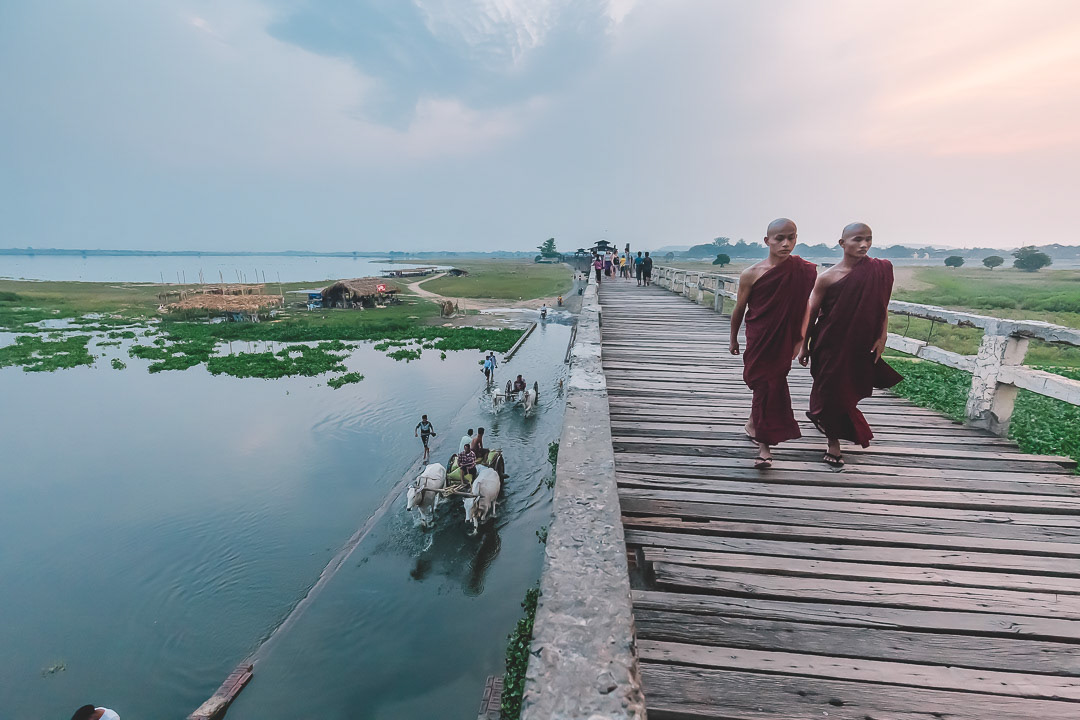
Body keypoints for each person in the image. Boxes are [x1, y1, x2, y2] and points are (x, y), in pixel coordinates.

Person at [799, 222, 903, 467]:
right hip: (828, 344)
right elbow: (811, 315)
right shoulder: (827, 278)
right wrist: (804, 346)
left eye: (868, 239)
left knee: (844, 391)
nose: (864, 244)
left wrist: (882, 337)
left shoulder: (881, 269)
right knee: (830, 391)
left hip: (860, 344)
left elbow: (881, 306)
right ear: (842, 243)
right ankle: (833, 443)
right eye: (857, 239)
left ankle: (821, 417)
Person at [729, 219, 817, 469]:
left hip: (785, 338)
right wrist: (733, 337)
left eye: (791, 237)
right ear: (767, 240)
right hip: (759, 337)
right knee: (763, 384)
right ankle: (758, 431)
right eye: (779, 238)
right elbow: (739, 309)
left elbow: (804, 307)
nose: (786, 243)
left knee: (770, 386)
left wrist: (801, 338)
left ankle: (763, 443)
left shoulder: (804, 270)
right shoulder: (752, 273)